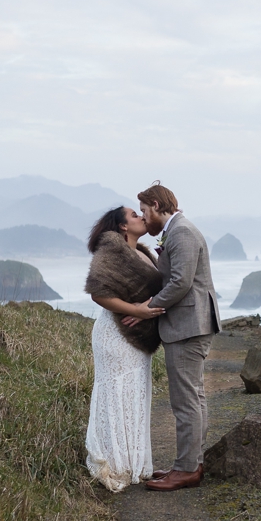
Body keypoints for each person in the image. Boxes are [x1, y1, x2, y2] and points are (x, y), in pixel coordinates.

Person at [124, 183, 223, 491]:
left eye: (144, 211)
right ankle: (190, 463)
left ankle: (187, 469)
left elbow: (180, 283)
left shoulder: (181, 232)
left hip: (188, 326)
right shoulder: (177, 231)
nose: (143, 216)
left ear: (156, 204)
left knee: (185, 401)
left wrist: (145, 307)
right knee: (194, 397)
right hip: (192, 324)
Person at [83, 206, 165, 492]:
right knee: (116, 394)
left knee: (134, 395)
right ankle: (114, 463)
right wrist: (136, 311)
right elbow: (98, 292)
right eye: (134, 215)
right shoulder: (111, 250)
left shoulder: (143, 251)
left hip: (138, 338)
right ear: (122, 227)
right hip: (116, 335)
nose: (142, 217)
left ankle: (135, 464)